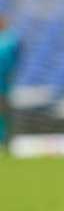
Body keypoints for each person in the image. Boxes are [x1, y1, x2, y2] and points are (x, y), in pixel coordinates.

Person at [0, 14, 21, 153]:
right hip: (5, 85)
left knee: (5, 115)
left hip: (4, 85)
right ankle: (6, 144)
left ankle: (6, 144)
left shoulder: (9, 39)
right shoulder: (11, 39)